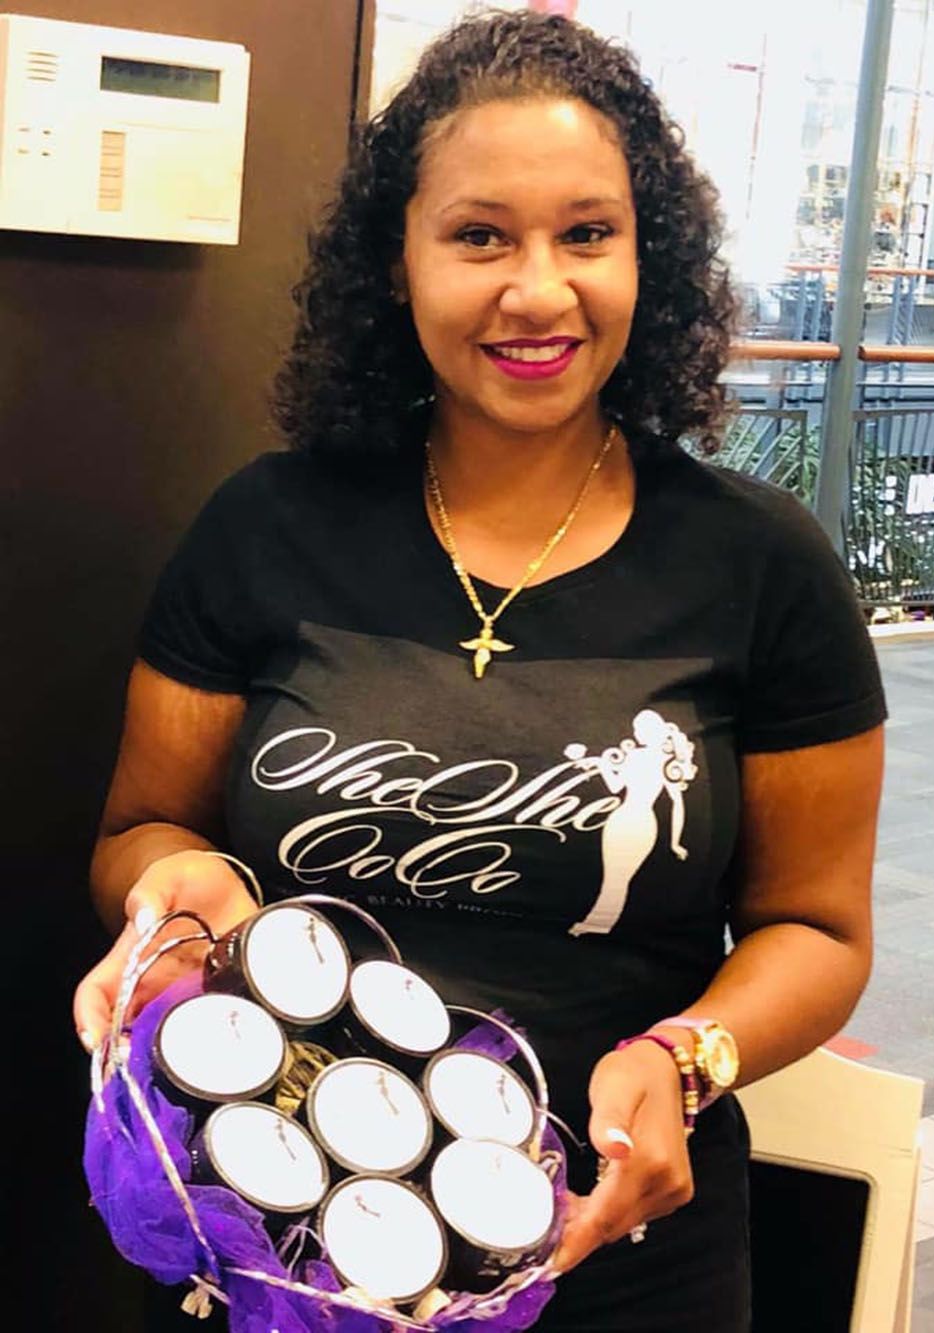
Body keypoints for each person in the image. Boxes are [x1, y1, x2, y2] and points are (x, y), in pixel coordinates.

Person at [73, 10, 885, 1332]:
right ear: (397, 262)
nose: (540, 291)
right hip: (289, 1237)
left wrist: (688, 1058)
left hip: (615, 1256)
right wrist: (182, 899)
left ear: (649, 257)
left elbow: (823, 929)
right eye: (480, 236)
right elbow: (141, 829)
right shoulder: (267, 528)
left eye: (588, 233)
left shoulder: (760, 565)